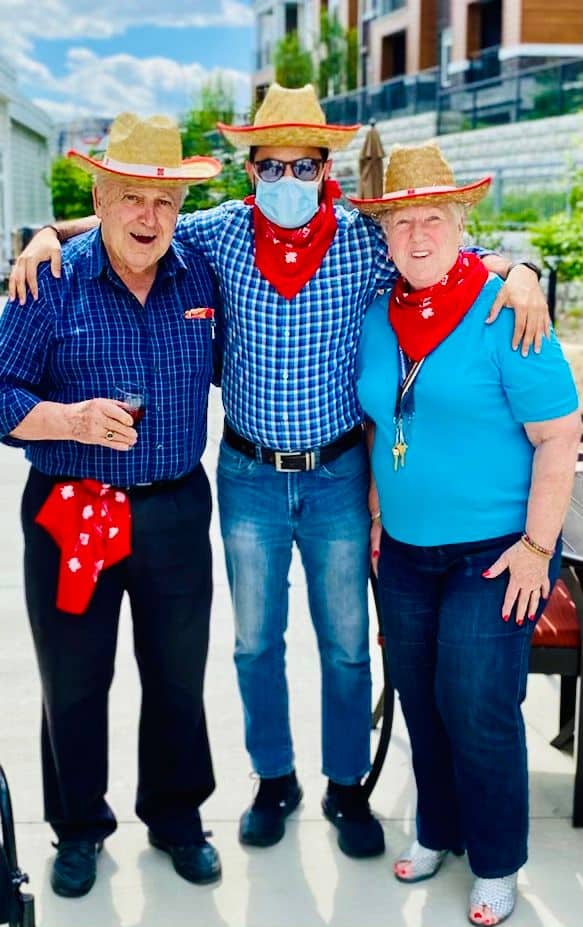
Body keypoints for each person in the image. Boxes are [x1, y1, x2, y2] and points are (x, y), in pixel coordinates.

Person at [9, 84, 550, 862]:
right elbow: (130, 223)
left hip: (333, 474)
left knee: (342, 646)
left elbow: (444, 251)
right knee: (248, 644)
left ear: (326, 170)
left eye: (303, 167)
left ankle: (343, 785)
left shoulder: (360, 243)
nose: (286, 181)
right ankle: (269, 780)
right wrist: (42, 236)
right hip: (241, 476)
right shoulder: (216, 236)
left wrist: (521, 269)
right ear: (250, 170)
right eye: (271, 166)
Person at [352, 142, 581, 924]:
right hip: (404, 552)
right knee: (420, 698)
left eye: (433, 219)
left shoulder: (505, 310)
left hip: (497, 553)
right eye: (401, 222)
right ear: (384, 235)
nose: (417, 235)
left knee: (477, 704)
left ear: (460, 224)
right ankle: (438, 827)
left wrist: (537, 549)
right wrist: (378, 513)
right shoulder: (377, 315)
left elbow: (558, 434)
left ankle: (495, 860)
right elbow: (380, 421)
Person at [0, 113, 224, 897]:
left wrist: (516, 268)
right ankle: (78, 828)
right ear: (98, 198)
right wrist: (68, 420)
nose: (147, 216)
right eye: (130, 196)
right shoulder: (49, 280)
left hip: (174, 508)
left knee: (177, 676)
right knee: (73, 679)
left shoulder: (200, 272)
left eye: (164, 200)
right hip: (72, 510)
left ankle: (176, 817)